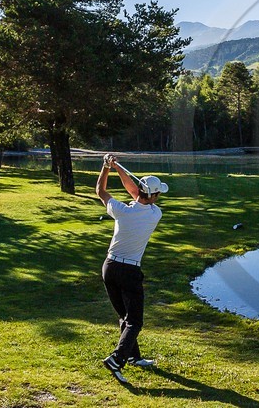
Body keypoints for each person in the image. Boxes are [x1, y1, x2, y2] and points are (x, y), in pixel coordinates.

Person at [96, 154, 170, 375]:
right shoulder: (155, 214)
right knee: (134, 321)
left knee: (124, 316)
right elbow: (135, 192)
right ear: (154, 196)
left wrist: (108, 167)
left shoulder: (122, 211)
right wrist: (116, 167)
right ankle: (117, 359)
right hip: (129, 271)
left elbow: (101, 191)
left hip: (109, 267)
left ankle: (132, 356)